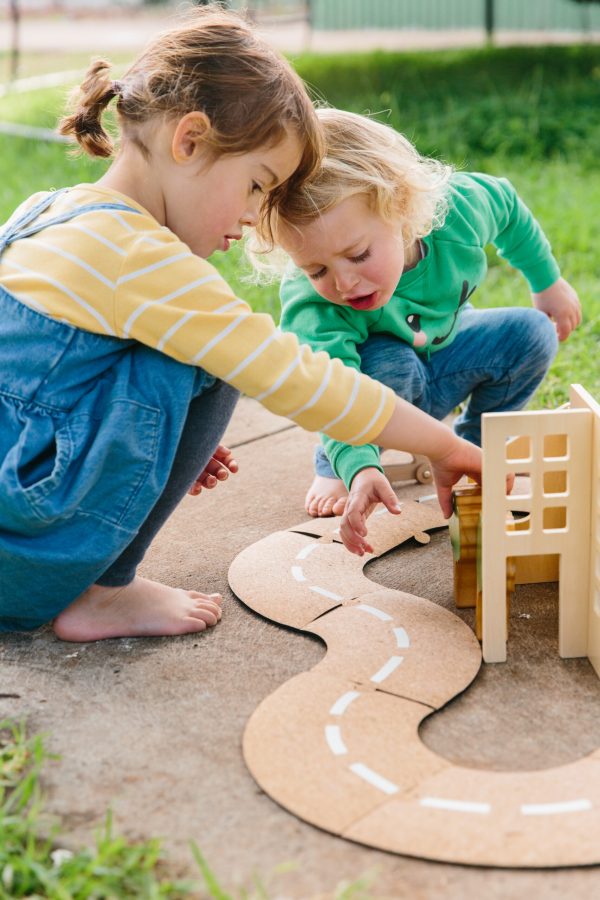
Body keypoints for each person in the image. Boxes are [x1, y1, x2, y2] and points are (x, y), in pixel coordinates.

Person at [0, 10, 480, 642]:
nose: (256, 217)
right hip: (23, 554)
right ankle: (101, 593)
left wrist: (152, 439)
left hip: (16, 505)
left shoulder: (51, 211)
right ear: (190, 141)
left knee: (196, 357)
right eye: (258, 185)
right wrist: (443, 445)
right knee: (215, 356)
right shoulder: (141, 258)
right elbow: (297, 377)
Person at [251, 108, 581, 522]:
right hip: (380, 389)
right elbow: (330, 391)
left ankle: (475, 446)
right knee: (391, 361)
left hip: (448, 357)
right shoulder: (315, 305)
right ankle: (335, 462)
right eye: (316, 270)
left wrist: (547, 283)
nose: (344, 283)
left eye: (358, 255)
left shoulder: (458, 212)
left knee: (531, 333)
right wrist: (359, 468)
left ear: (401, 207)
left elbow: (507, 207)